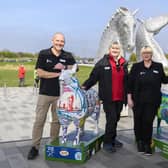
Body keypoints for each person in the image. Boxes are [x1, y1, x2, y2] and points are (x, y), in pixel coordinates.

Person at [27, 32, 76, 160]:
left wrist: (67, 69)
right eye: (57, 41)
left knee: (56, 121)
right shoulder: (44, 53)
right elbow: (40, 72)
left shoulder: (68, 55)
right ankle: (35, 147)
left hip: (61, 95)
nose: (60, 43)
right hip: (45, 94)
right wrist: (58, 74)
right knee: (39, 121)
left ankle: (53, 144)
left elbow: (73, 69)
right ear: (52, 41)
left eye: (62, 41)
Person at [82, 41, 128, 153]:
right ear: (109, 49)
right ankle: (107, 142)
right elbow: (93, 77)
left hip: (120, 97)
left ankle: (112, 138)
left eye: (117, 48)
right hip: (108, 98)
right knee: (111, 119)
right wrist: (84, 86)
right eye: (113, 48)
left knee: (116, 119)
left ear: (119, 50)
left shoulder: (124, 63)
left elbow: (127, 80)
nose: (115, 50)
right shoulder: (102, 63)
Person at [127, 46, 168, 155]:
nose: (146, 54)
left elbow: (164, 79)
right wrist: (129, 98)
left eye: (148, 52)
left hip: (153, 101)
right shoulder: (136, 67)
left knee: (148, 122)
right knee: (138, 121)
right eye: (144, 53)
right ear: (141, 54)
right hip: (138, 101)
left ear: (151, 54)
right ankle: (139, 141)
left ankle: (147, 143)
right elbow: (129, 84)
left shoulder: (158, 67)